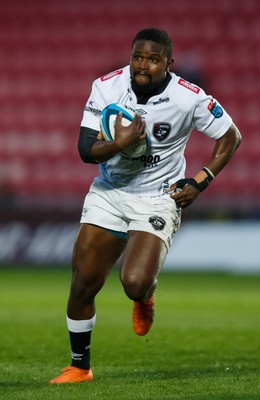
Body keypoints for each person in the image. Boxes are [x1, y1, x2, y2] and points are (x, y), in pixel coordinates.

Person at [50, 27, 241, 384]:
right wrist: (120, 144)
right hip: (110, 191)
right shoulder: (106, 87)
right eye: (137, 56)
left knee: (134, 283)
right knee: (83, 282)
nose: (142, 65)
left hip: (158, 196)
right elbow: (85, 150)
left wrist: (200, 181)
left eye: (153, 59)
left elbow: (231, 136)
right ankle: (79, 366)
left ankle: (145, 297)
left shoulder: (189, 98)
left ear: (169, 63)